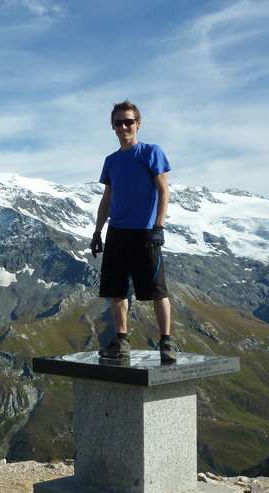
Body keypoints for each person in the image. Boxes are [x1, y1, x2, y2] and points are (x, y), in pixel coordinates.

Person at [89, 99, 177, 362]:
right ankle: (122, 340)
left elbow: (164, 191)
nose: (124, 126)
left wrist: (158, 226)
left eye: (129, 121)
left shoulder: (152, 152)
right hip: (117, 232)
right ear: (113, 127)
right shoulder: (111, 161)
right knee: (116, 291)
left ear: (138, 124)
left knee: (157, 290)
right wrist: (97, 232)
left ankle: (167, 342)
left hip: (145, 232)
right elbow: (107, 198)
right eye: (119, 123)